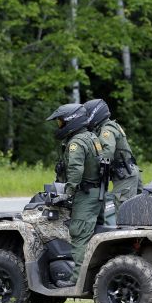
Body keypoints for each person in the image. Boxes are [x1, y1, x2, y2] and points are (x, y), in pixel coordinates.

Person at [47, 103, 104, 288]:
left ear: (72, 121)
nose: (60, 126)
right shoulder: (92, 138)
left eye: (61, 122)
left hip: (86, 195)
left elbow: (76, 169)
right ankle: (93, 276)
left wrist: (68, 193)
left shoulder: (76, 143)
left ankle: (77, 282)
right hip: (98, 193)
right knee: (95, 235)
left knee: (79, 235)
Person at [83, 99, 142, 213]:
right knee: (138, 209)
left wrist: (96, 168)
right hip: (129, 171)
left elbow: (108, 151)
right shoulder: (113, 125)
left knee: (123, 211)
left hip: (124, 174)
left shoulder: (106, 130)